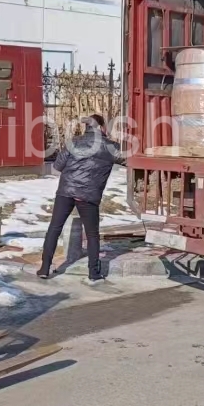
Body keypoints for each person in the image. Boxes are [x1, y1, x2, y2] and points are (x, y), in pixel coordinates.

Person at [38, 114, 126, 283]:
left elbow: (57, 166)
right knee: (92, 235)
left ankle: (44, 268)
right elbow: (128, 161)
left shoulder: (74, 142)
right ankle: (94, 273)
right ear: (101, 127)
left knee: (54, 228)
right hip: (89, 195)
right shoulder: (111, 147)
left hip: (66, 191)